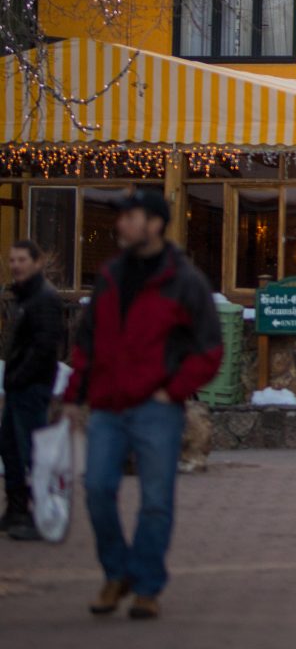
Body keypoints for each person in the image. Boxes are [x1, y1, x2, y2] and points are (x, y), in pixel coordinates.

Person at [56, 189, 221, 620]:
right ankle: (117, 574)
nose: (120, 225)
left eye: (130, 217)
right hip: (108, 408)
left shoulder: (184, 281)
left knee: (155, 500)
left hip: (156, 409)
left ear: (155, 224)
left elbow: (209, 349)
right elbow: (86, 345)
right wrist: (74, 397)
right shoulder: (110, 275)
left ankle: (146, 586)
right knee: (96, 490)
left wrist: (173, 390)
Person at [4, 237, 66, 541]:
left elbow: (45, 346)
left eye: (22, 260)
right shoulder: (24, 297)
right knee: (11, 449)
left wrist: (21, 377)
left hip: (32, 387)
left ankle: (43, 515)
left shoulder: (44, 298)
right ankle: (17, 509)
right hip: (18, 387)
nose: (15, 265)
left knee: (33, 454)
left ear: (37, 263)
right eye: (12, 259)